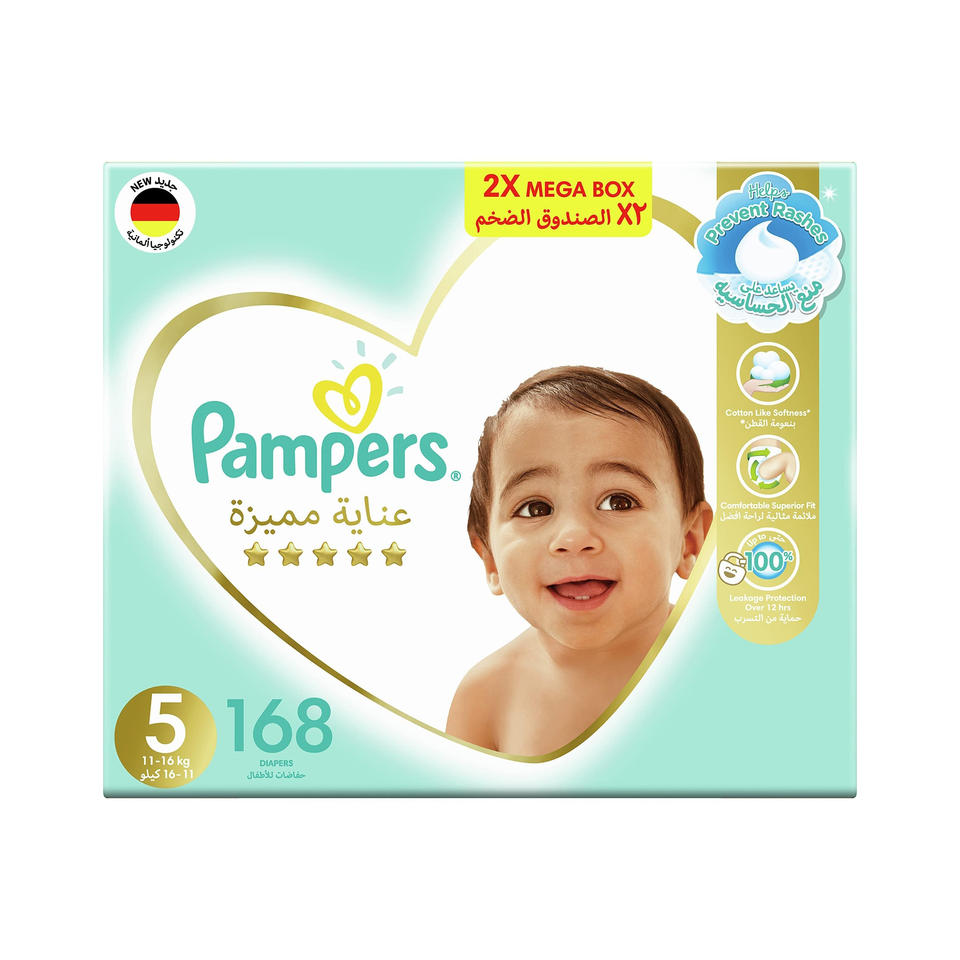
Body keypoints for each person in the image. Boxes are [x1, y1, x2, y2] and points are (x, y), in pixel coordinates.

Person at [446, 366, 712, 756]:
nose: (573, 538)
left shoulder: (721, 671)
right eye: (535, 508)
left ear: (689, 542)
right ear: (490, 559)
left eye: (618, 502)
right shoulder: (486, 698)